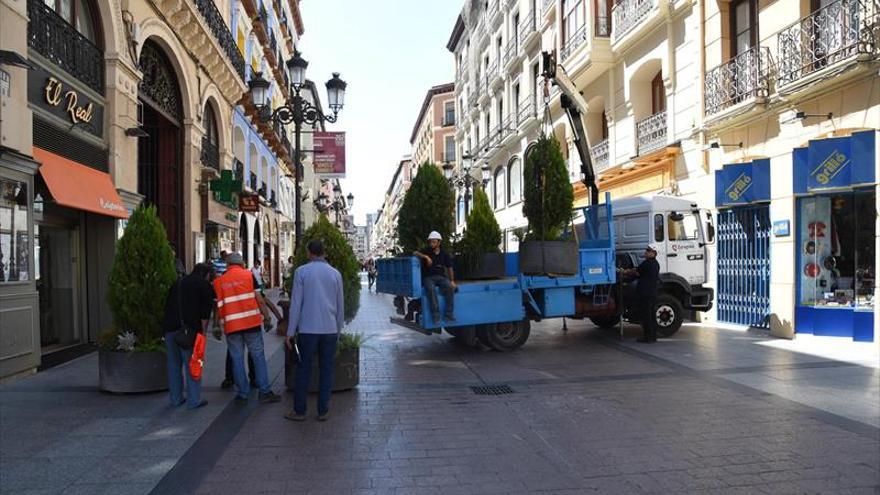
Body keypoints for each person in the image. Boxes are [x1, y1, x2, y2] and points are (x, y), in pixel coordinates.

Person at [284, 240, 345, 422]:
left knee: (304, 369)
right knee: (327, 369)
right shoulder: (335, 274)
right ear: (324, 252)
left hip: (308, 330)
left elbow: (296, 304)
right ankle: (323, 410)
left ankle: (300, 411)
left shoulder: (301, 272)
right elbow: (340, 305)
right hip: (329, 330)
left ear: (309, 252)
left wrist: (290, 331)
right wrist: (338, 329)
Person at [213, 252, 281, 405]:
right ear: (241, 264)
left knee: (237, 360)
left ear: (228, 265)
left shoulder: (219, 281)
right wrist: (267, 318)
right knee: (258, 357)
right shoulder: (249, 276)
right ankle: (264, 391)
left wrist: (216, 325)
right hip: (251, 325)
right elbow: (260, 300)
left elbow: (218, 306)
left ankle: (242, 393)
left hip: (232, 326)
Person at [162, 263, 215, 409]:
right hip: (190, 332)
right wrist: (203, 336)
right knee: (194, 366)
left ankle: (176, 399)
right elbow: (205, 316)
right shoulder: (204, 286)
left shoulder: (178, 283)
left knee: (173, 365)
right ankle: (194, 400)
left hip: (170, 329)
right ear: (207, 274)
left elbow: (166, 306)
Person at [413, 231, 456, 324]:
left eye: (434, 242)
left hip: (441, 277)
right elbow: (415, 253)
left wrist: (452, 280)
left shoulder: (444, 254)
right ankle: (436, 315)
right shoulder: (427, 250)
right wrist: (426, 257)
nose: (431, 244)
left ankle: (449, 314)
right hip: (428, 277)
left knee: (449, 287)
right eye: (430, 242)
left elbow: (450, 267)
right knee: (431, 289)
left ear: (439, 242)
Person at [623, 245, 661, 343]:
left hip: (645, 294)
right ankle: (653, 336)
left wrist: (625, 271)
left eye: (648, 250)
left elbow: (636, 272)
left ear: (654, 253)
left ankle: (648, 337)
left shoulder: (647, 263)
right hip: (653, 293)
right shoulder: (656, 264)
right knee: (652, 315)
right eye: (646, 250)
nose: (646, 252)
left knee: (646, 316)